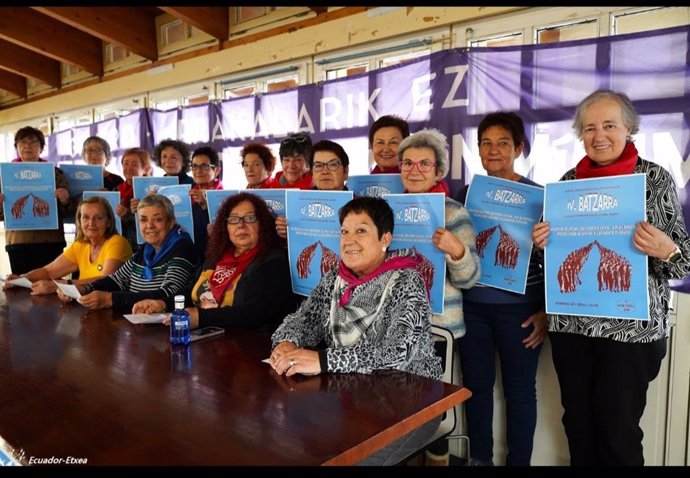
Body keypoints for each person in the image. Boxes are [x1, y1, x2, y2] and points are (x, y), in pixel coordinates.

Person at [531, 89, 690, 466]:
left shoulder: (653, 178)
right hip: (572, 328)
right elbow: (556, 264)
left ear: (629, 129)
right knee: (578, 425)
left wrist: (666, 248)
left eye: (609, 125)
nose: (599, 136)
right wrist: (543, 245)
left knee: (617, 431)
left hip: (629, 333)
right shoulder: (567, 181)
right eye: (589, 128)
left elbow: (683, 264)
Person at [269, 196, 442, 466]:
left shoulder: (407, 280)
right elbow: (305, 319)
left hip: (411, 403)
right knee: (292, 441)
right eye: (344, 231)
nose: (349, 240)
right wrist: (286, 342)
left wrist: (324, 360)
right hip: (348, 397)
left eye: (361, 230)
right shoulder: (334, 278)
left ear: (385, 238)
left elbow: (397, 353)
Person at [454, 112, 547, 466]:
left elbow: (556, 261)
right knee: (475, 388)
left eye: (503, 143)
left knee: (520, 392)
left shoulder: (538, 197)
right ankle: (480, 459)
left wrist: (546, 313)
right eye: (485, 143)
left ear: (519, 148)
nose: (493, 150)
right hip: (473, 308)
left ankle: (518, 463)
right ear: (477, 150)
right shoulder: (466, 193)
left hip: (521, 312)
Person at [397, 128, 481, 465]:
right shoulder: (387, 210)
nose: (414, 170)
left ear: (438, 171)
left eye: (424, 164)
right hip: (391, 325)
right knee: (393, 408)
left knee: (431, 412)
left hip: (437, 329)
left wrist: (457, 250)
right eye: (407, 163)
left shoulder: (453, 214)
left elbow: (471, 278)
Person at [132, 192, 298, 333]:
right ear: (225, 226)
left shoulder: (273, 261)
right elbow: (191, 291)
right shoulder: (217, 257)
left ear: (263, 224)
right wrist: (162, 303)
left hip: (246, 350)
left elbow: (256, 313)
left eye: (249, 218)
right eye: (233, 219)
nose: (240, 225)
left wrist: (200, 318)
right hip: (206, 341)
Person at [61, 194, 197, 311]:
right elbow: (117, 279)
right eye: (143, 220)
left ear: (171, 222)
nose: (149, 226)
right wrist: (85, 288)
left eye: (157, 219)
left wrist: (110, 299)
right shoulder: (146, 249)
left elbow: (168, 293)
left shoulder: (183, 248)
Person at [3, 196, 132, 295]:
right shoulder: (80, 245)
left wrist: (58, 285)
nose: (91, 223)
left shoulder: (117, 242)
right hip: (86, 304)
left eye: (98, 218)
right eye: (85, 218)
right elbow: (48, 271)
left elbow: (105, 280)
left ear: (109, 222)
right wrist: (21, 279)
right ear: (79, 221)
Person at [0, 126, 74, 274]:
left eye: (33, 142)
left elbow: (69, 213)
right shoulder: (4, 176)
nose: (28, 146)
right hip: (18, 243)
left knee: (52, 287)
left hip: (51, 242)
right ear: (17, 147)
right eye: (23, 142)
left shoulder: (56, 173)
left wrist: (65, 200)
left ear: (41, 148)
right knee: (21, 289)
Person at [275, 139, 349, 239]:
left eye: (333, 165)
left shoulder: (361, 208)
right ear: (312, 174)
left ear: (345, 172)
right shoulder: (297, 207)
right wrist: (287, 235)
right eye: (318, 165)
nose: (325, 171)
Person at [188, 146, 223, 261]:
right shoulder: (188, 194)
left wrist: (206, 206)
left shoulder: (224, 197)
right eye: (194, 166)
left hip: (213, 258)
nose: (198, 171)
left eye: (204, 166)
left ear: (217, 170)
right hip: (190, 254)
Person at [115, 147, 152, 253]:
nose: (129, 168)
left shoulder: (151, 191)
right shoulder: (116, 189)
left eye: (134, 164)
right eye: (126, 163)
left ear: (145, 169)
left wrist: (130, 215)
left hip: (143, 245)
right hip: (119, 243)